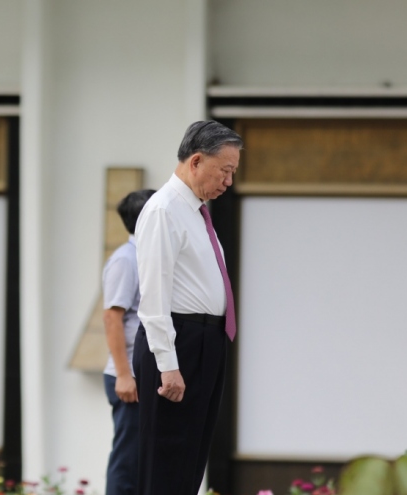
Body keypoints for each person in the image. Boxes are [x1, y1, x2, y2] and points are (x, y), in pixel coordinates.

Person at [133, 120, 243, 495]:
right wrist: (168, 365)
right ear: (196, 161)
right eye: (225, 171)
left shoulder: (194, 211)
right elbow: (153, 296)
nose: (229, 182)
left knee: (190, 459)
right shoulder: (164, 209)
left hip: (205, 340)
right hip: (179, 343)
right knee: (168, 458)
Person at [102, 188, 155, 495]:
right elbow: (112, 317)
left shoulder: (148, 257)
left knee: (145, 458)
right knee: (129, 458)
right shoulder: (126, 260)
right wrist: (124, 374)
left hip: (144, 373)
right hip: (129, 377)